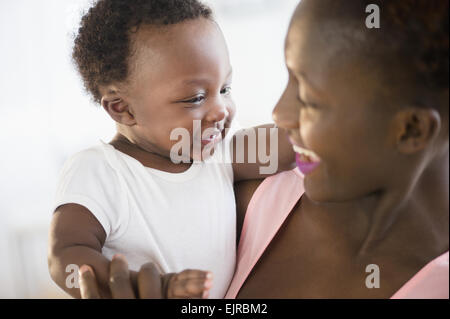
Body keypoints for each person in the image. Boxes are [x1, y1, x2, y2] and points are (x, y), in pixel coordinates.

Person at [78, 0, 449, 299]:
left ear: (412, 129)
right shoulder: (250, 195)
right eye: (289, 76)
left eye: (310, 99)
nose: (278, 112)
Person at [47, 0, 294, 299]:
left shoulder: (218, 153)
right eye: (195, 98)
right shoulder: (99, 170)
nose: (221, 110)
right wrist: (139, 286)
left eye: (224, 89)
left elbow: (293, 141)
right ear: (122, 108)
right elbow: (65, 255)